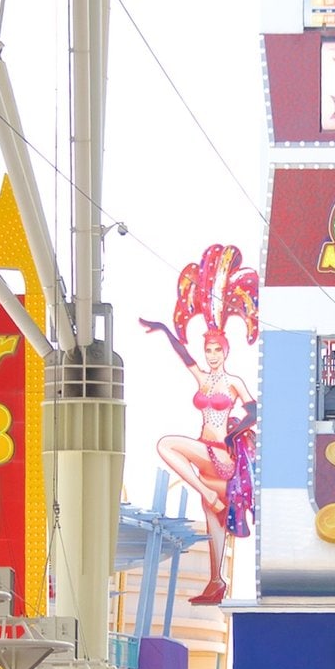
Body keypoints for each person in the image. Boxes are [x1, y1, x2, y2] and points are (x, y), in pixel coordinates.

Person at [146, 243, 261, 604]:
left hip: (218, 454)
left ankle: (207, 490)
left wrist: (234, 431)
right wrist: (165, 329)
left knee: (167, 444)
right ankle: (216, 582)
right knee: (214, 520)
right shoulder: (202, 380)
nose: (210, 355)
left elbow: (255, 410)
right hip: (206, 455)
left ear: (225, 350)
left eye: (216, 349)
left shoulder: (233, 383)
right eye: (207, 349)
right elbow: (183, 356)